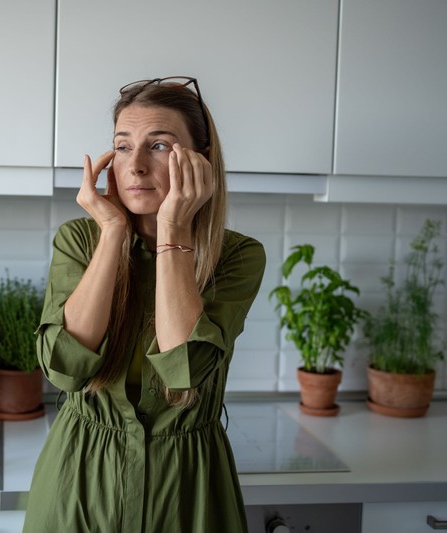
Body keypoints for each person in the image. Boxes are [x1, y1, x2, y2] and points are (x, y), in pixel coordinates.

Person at [23, 77, 266, 533]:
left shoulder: (237, 256)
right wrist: (113, 233)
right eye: (122, 146)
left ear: (201, 162)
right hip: (78, 483)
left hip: (188, 493)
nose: (133, 166)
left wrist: (174, 226)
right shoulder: (79, 241)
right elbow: (65, 367)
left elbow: (184, 368)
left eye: (158, 146)